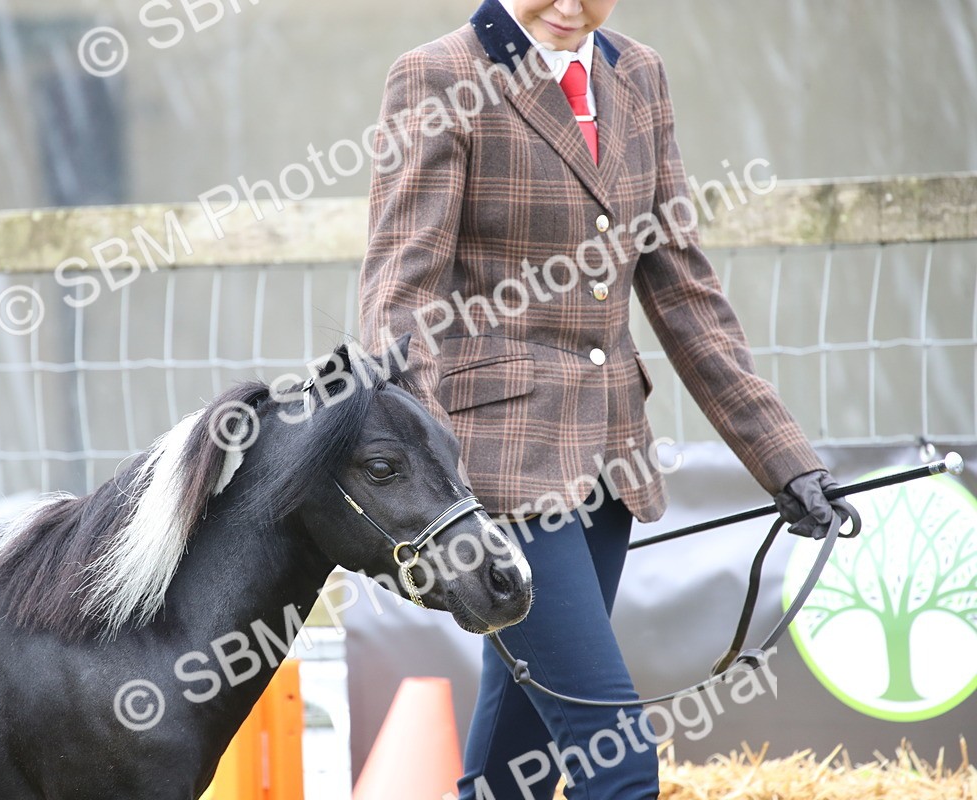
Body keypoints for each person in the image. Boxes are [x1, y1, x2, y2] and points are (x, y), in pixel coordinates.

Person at [358, 0, 851, 797]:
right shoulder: (437, 75)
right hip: (499, 477)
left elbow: (684, 289)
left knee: (518, 763)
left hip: (609, 469)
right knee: (616, 763)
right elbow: (399, 300)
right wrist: (432, 474)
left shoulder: (639, 74)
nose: (568, 5)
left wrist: (786, 461)